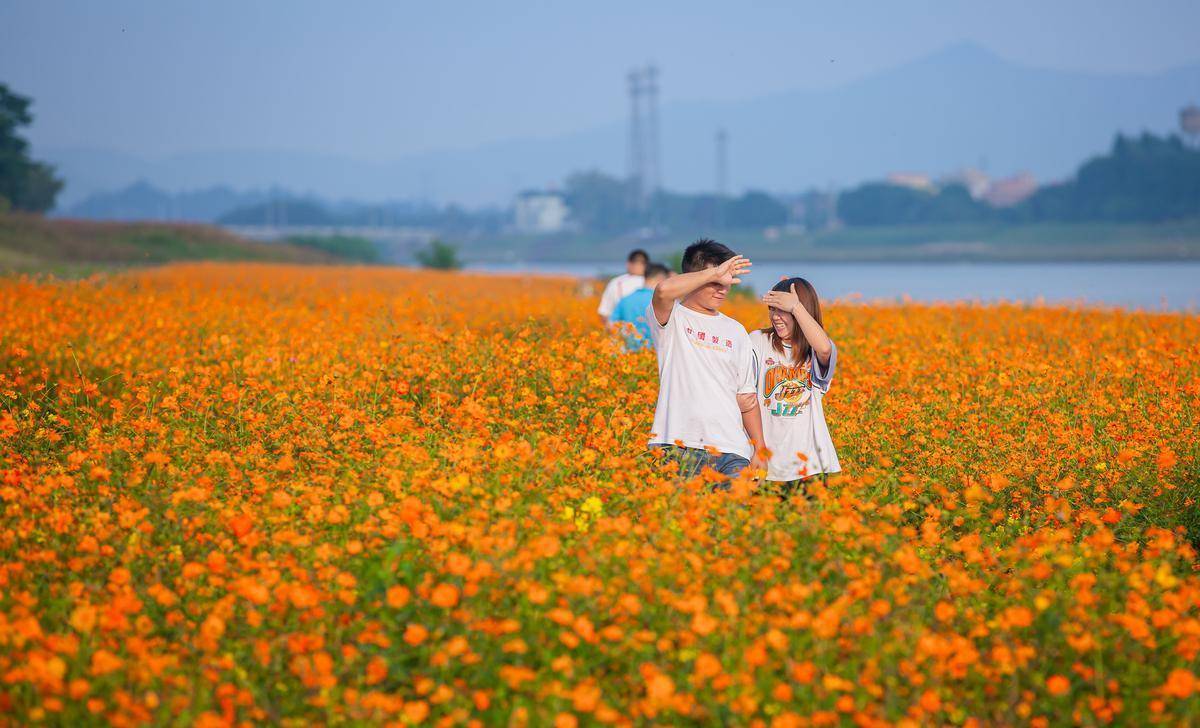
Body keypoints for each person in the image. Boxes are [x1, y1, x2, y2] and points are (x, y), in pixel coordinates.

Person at [646, 239, 766, 485]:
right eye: (715, 283)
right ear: (696, 276)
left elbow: (747, 398)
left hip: (732, 450)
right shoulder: (674, 318)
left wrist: (760, 449)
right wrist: (713, 272)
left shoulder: (737, 331)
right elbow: (662, 291)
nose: (722, 289)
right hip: (676, 444)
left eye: (727, 283)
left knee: (734, 521)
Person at [750, 277, 840, 496]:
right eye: (772, 309)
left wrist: (796, 307)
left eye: (783, 310)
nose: (776, 317)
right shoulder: (758, 341)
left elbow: (825, 349)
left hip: (811, 466)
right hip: (767, 463)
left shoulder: (814, 350)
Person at [609, 262, 670, 351]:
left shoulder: (625, 300)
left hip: (627, 357)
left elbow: (611, 325)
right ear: (660, 279)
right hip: (654, 356)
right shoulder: (662, 301)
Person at [597, 249, 648, 322]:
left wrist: (612, 330)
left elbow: (604, 312)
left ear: (628, 264)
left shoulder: (616, 282)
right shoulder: (654, 282)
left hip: (620, 330)